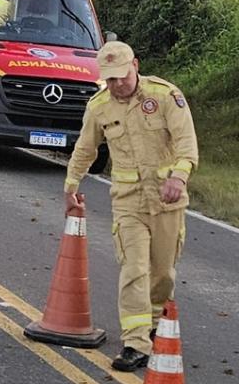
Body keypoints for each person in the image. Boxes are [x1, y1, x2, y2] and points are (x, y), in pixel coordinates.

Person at [64, 41, 198, 372]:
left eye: (122, 77)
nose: (117, 85)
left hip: (167, 200)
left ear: (135, 65)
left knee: (163, 271)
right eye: (109, 80)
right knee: (134, 267)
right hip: (127, 201)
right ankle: (135, 342)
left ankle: (154, 321)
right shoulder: (100, 107)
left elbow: (187, 145)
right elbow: (85, 149)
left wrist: (178, 178)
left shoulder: (165, 96)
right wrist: (71, 185)